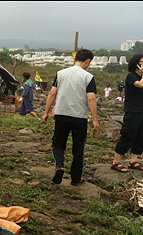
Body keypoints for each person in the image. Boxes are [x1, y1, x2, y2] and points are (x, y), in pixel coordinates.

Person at [42, 48, 100, 186]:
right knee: (78, 148)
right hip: (79, 117)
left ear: (75, 59)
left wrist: (46, 113)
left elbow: (52, 94)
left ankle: (59, 166)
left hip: (61, 114)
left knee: (58, 143)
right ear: (87, 61)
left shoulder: (60, 74)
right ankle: (76, 179)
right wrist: (95, 120)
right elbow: (91, 98)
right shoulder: (88, 77)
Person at [111, 54, 143, 172]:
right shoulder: (131, 76)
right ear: (136, 63)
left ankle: (134, 160)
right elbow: (140, 85)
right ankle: (116, 161)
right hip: (133, 111)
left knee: (141, 136)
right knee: (128, 134)